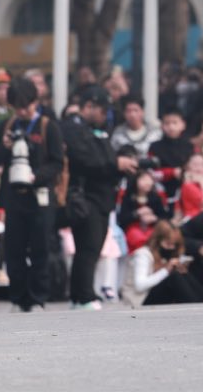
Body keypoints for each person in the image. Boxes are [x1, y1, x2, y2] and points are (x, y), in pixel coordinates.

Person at [0, 78, 65, 312]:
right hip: (14, 196)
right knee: (14, 249)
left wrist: (37, 176)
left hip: (40, 196)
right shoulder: (8, 125)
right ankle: (18, 297)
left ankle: (37, 298)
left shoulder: (47, 126)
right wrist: (3, 146)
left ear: (35, 102)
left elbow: (57, 163)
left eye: (27, 106)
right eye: (18, 107)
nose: (23, 111)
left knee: (41, 248)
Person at [63, 85, 137, 310]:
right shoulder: (75, 128)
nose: (106, 115)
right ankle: (84, 295)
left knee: (91, 248)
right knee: (88, 246)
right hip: (86, 196)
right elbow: (85, 160)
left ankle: (79, 295)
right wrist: (116, 163)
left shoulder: (99, 130)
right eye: (102, 110)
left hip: (102, 197)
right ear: (89, 106)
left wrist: (122, 162)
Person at [120, 220, 203, 307]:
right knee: (174, 277)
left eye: (174, 245)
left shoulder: (164, 256)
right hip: (139, 301)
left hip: (152, 296)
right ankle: (196, 306)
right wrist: (166, 271)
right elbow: (140, 286)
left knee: (182, 273)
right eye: (168, 244)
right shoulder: (143, 255)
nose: (172, 248)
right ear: (158, 241)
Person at [149, 109, 193, 200]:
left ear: (183, 125)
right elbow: (151, 172)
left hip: (186, 188)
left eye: (175, 123)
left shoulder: (190, 147)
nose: (171, 127)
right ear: (162, 125)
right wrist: (172, 172)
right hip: (160, 190)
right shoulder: (154, 147)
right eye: (167, 123)